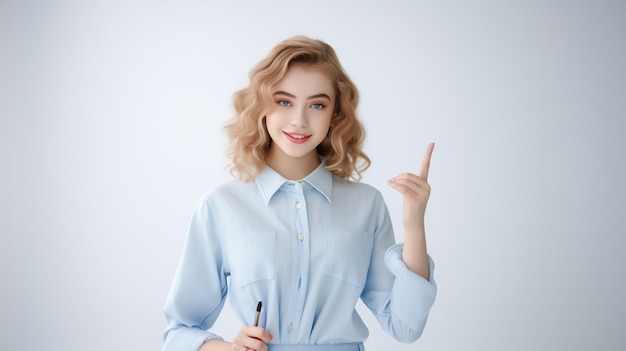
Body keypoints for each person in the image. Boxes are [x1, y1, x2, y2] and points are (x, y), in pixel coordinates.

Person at [162, 35, 437, 351]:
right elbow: (179, 331)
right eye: (284, 101)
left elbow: (405, 326)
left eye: (317, 105)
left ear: (335, 113)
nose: (299, 120)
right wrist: (229, 349)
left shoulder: (366, 204)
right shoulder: (221, 205)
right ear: (261, 106)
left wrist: (414, 225)